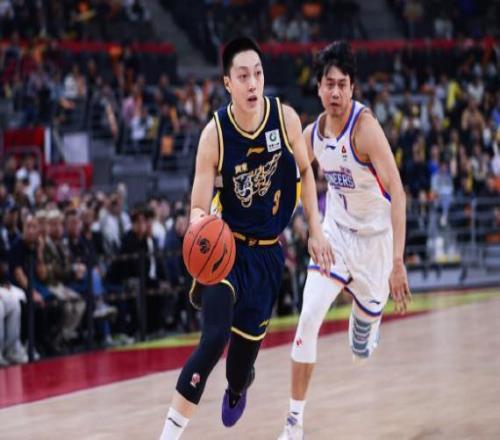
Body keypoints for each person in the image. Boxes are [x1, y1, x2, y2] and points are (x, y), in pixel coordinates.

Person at [158, 36, 333, 439]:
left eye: (258, 74)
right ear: (227, 83)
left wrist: (315, 227)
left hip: (268, 256)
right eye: (243, 76)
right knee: (212, 339)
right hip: (227, 249)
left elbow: (306, 172)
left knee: (238, 370)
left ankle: (239, 385)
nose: (253, 83)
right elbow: (198, 206)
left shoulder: (284, 118)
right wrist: (200, 226)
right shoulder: (214, 135)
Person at [278, 41, 412, 440]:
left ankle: (367, 323)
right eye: (329, 84)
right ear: (319, 88)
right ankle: (294, 424)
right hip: (335, 235)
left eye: (342, 85)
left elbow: (398, 192)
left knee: (360, 349)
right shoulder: (312, 134)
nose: (335, 92)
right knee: (307, 319)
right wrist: (313, 228)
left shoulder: (365, 129)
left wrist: (398, 262)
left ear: (352, 88)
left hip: (375, 243)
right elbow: (292, 180)